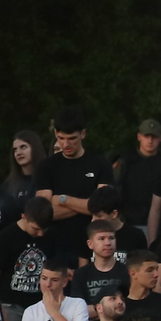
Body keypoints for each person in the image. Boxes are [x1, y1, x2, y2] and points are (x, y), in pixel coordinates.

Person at [33, 106, 113, 264]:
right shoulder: (46, 167)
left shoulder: (100, 164)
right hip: (55, 247)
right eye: (61, 138)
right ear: (56, 133)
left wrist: (62, 199)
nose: (65, 144)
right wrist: (88, 205)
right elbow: (42, 214)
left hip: (90, 246)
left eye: (72, 138)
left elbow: (103, 209)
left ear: (83, 134)